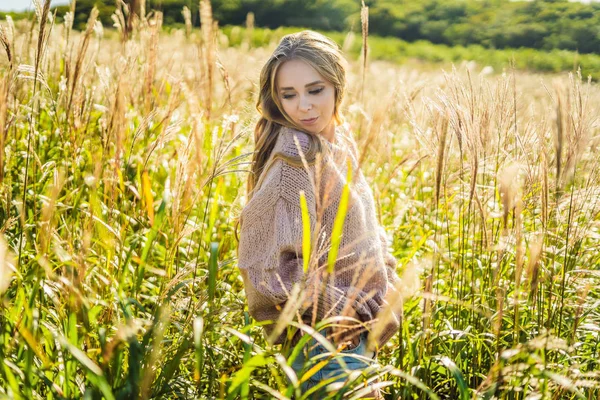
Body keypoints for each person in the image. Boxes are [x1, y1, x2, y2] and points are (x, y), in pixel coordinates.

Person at [236, 30, 401, 397]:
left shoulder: (337, 141)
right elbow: (267, 270)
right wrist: (342, 306)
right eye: (288, 95)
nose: (304, 106)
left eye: (315, 90)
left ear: (337, 87)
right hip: (323, 341)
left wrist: (387, 285)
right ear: (275, 99)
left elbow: (367, 229)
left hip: (352, 336)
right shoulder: (295, 158)